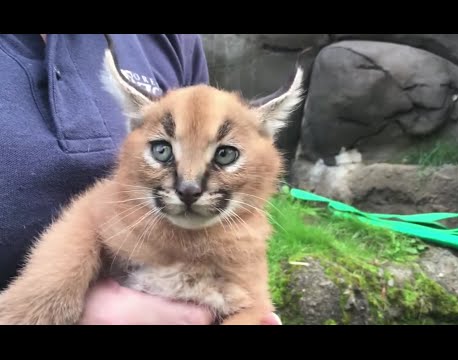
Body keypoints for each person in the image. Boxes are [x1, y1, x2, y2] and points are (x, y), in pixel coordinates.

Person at [0, 34, 281, 325]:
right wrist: (48, 299)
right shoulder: (120, 212)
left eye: (224, 155)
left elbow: (252, 306)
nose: (188, 186)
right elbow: (90, 214)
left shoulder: (173, 40)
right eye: (163, 151)